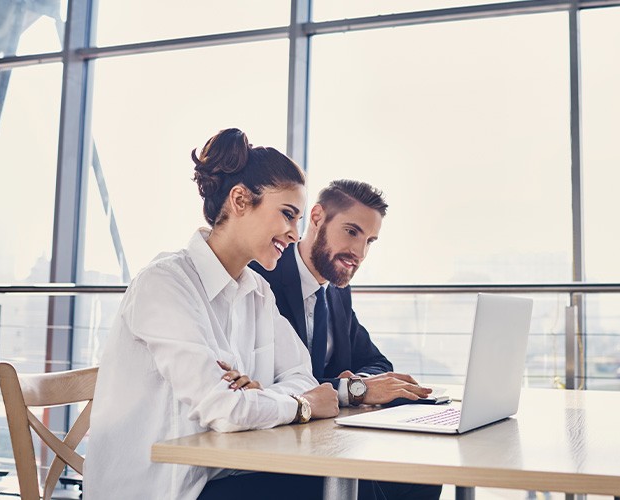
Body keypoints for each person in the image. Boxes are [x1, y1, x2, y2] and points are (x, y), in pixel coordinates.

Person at [85, 128, 339, 500]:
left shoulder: (257, 292)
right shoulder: (165, 284)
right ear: (240, 200)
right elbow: (227, 409)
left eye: (299, 220)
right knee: (328, 488)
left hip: (230, 475)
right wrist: (298, 407)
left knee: (391, 483)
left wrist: (263, 394)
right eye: (287, 214)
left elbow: (302, 376)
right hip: (167, 488)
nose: (294, 233)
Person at [250, 179, 442, 500]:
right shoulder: (263, 278)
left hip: (325, 441)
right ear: (316, 218)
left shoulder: (336, 292)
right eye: (351, 232)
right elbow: (267, 381)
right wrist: (355, 391)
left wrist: (362, 381)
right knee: (367, 489)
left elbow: (377, 361)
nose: (360, 253)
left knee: (422, 474)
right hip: (272, 452)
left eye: (370, 241)